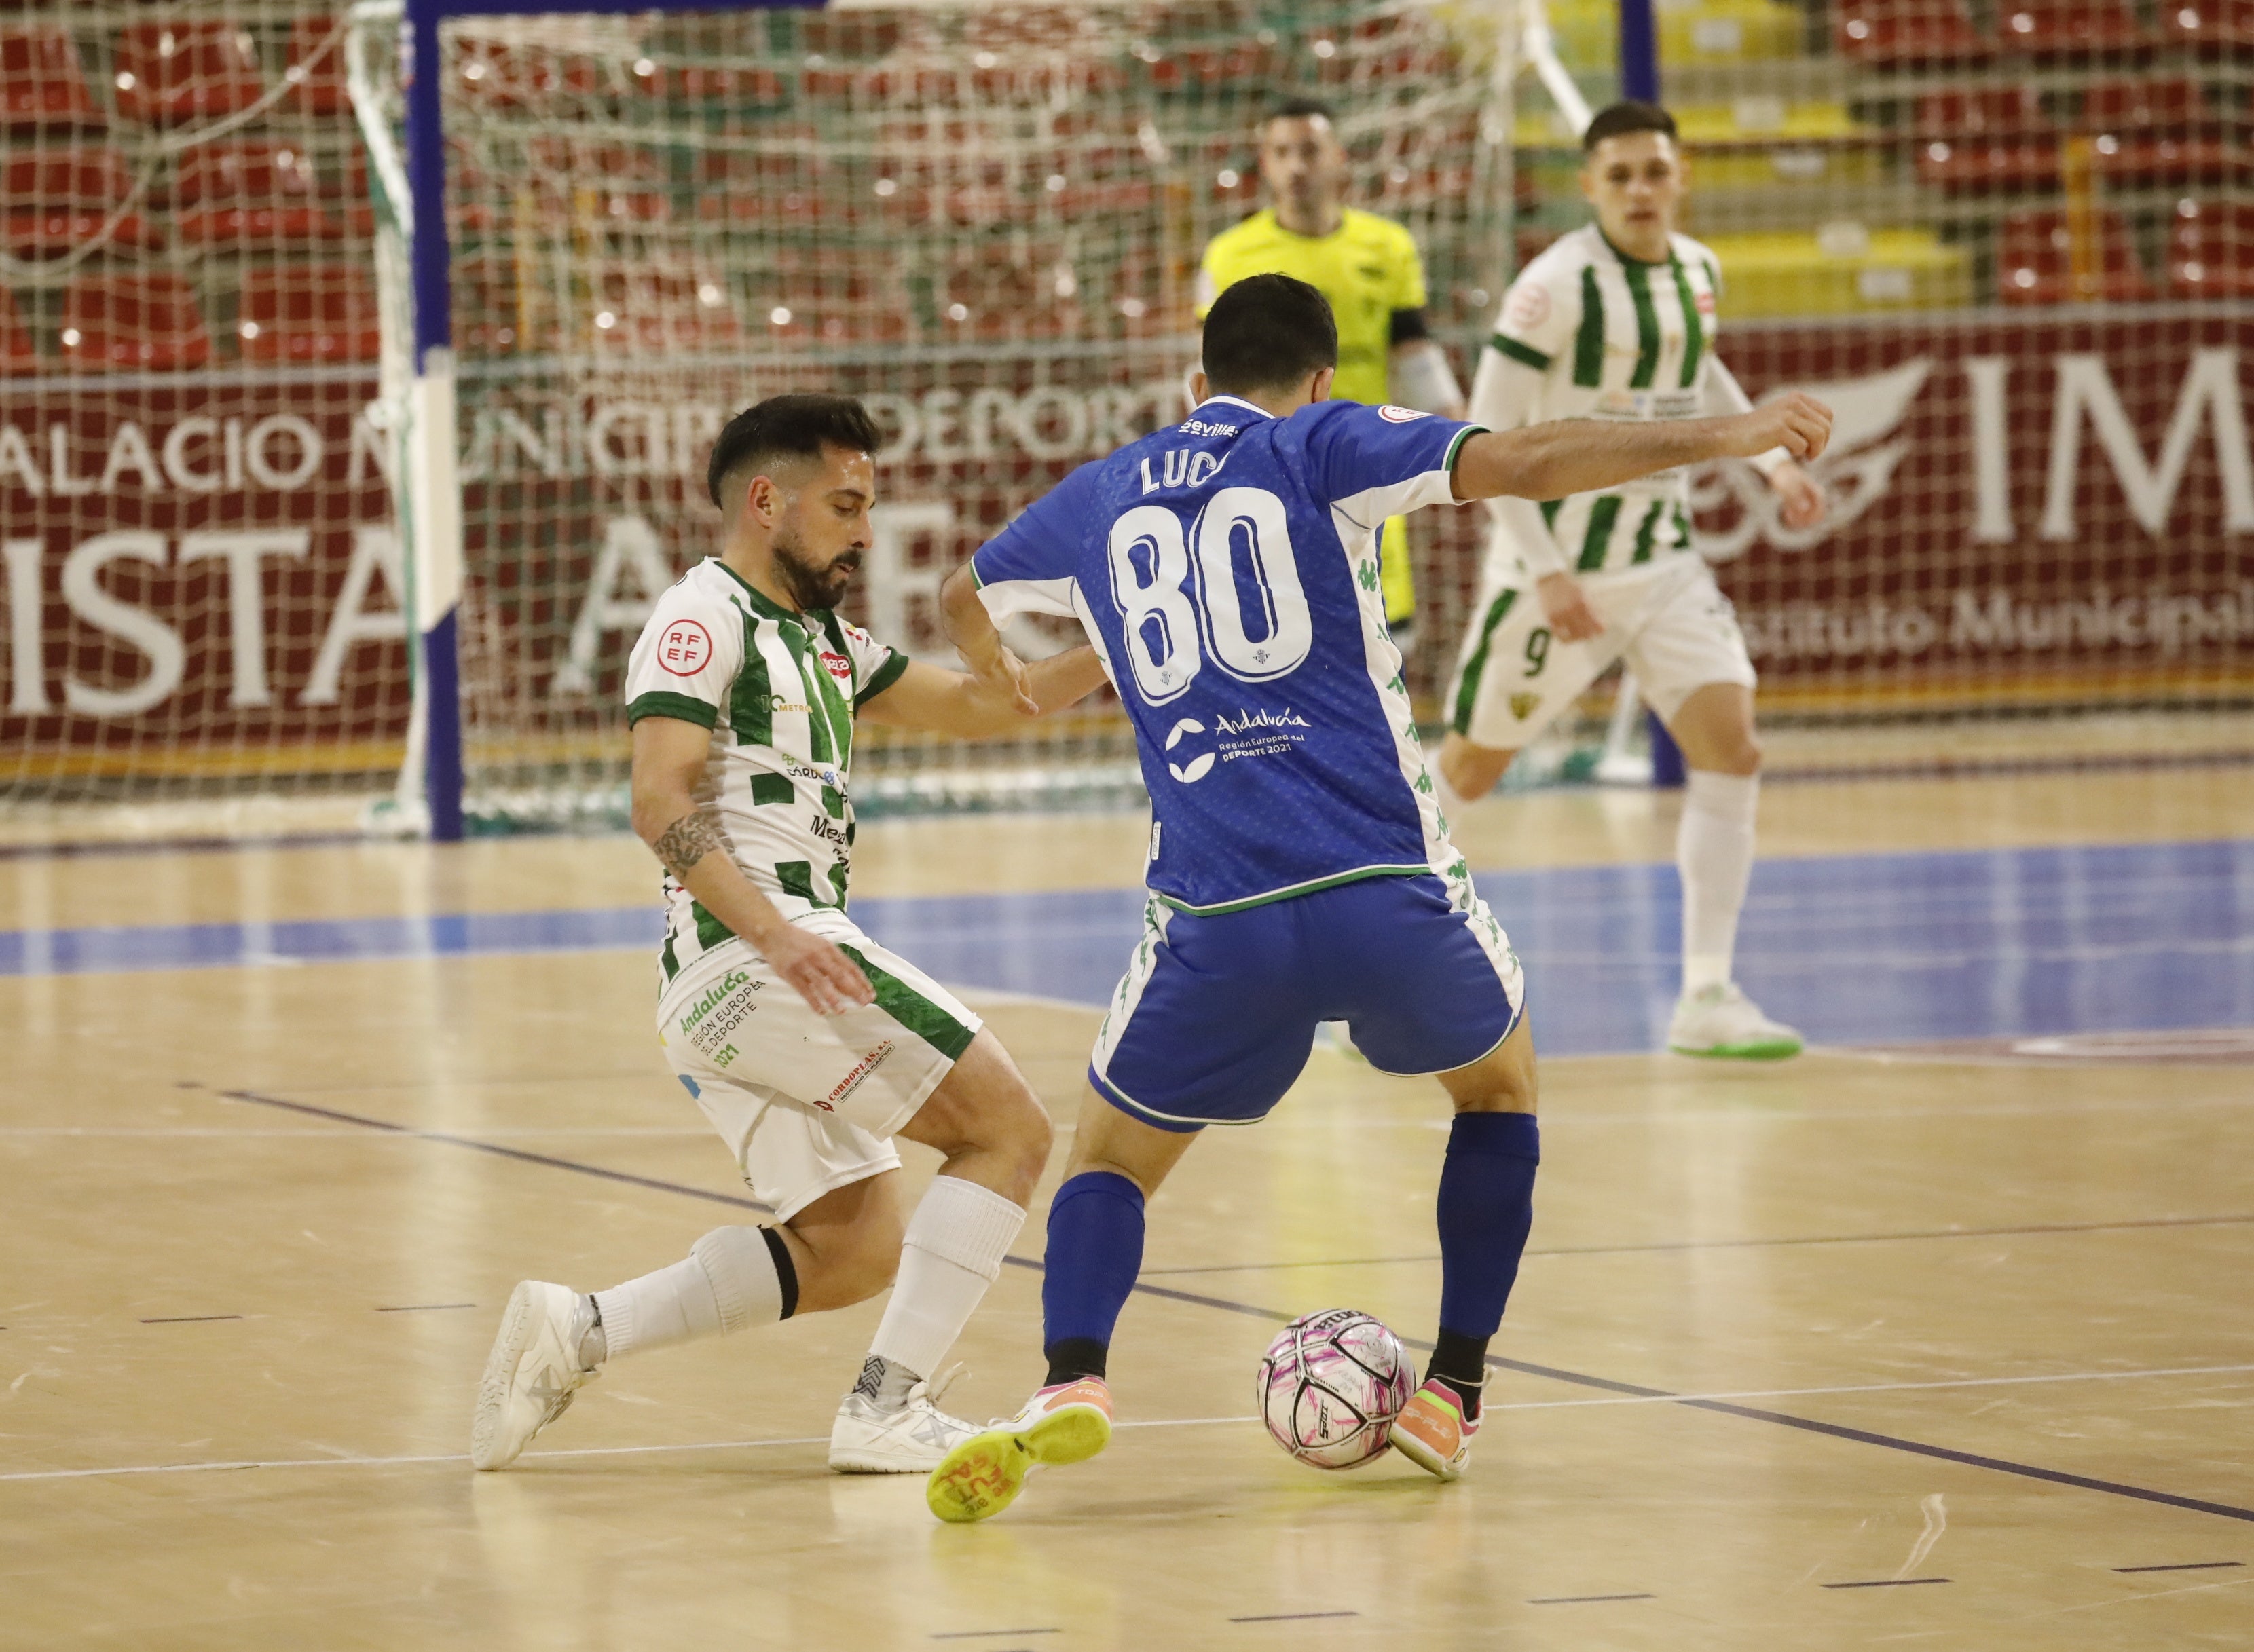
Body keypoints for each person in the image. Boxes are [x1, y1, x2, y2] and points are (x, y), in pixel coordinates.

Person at [920, 275, 1832, 1522]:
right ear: (1324, 378)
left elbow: (960, 599)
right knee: (1499, 1089)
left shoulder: (1103, 489)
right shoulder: (1320, 442)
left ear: (1196, 384)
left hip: (1216, 915)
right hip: (1384, 889)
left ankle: (1072, 1375)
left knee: (1113, 1158)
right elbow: (1522, 459)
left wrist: (1028, 682)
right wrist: (1728, 434)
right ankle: (1452, 1387)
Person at [470, 394, 1109, 1476]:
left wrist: (1124, 644)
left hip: (729, 982)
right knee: (1009, 1130)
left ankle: (576, 1329)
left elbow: (988, 705)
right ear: (767, 502)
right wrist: (775, 936)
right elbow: (657, 800)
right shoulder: (703, 616)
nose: (866, 532)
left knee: (854, 1247)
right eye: (846, 505)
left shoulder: (823, 642)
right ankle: (886, 1407)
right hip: (761, 955)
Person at [1435, 100, 1831, 1061]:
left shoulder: (1697, 271)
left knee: (1733, 745)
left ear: (1682, 176)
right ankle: (1366, 964)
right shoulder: (1553, 288)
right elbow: (1488, 441)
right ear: (1589, 187)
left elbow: (1697, 377)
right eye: (1621, 176)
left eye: (1656, 171)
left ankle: (1706, 994)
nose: (1642, 190)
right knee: (1469, 773)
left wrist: (1770, 460)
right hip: (1553, 575)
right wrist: (1550, 569)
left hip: (1661, 558)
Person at [1198, 95, 1465, 652]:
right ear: (1265, 163)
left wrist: (1452, 425)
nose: (1298, 166)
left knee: (1385, 641)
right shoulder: (1229, 254)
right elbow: (1209, 371)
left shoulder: (1387, 246)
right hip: (1269, 472)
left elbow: (1412, 350)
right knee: (1282, 638)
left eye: (1311, 151)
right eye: (1283, 153)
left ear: (1339, 158)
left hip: (1369, 462)